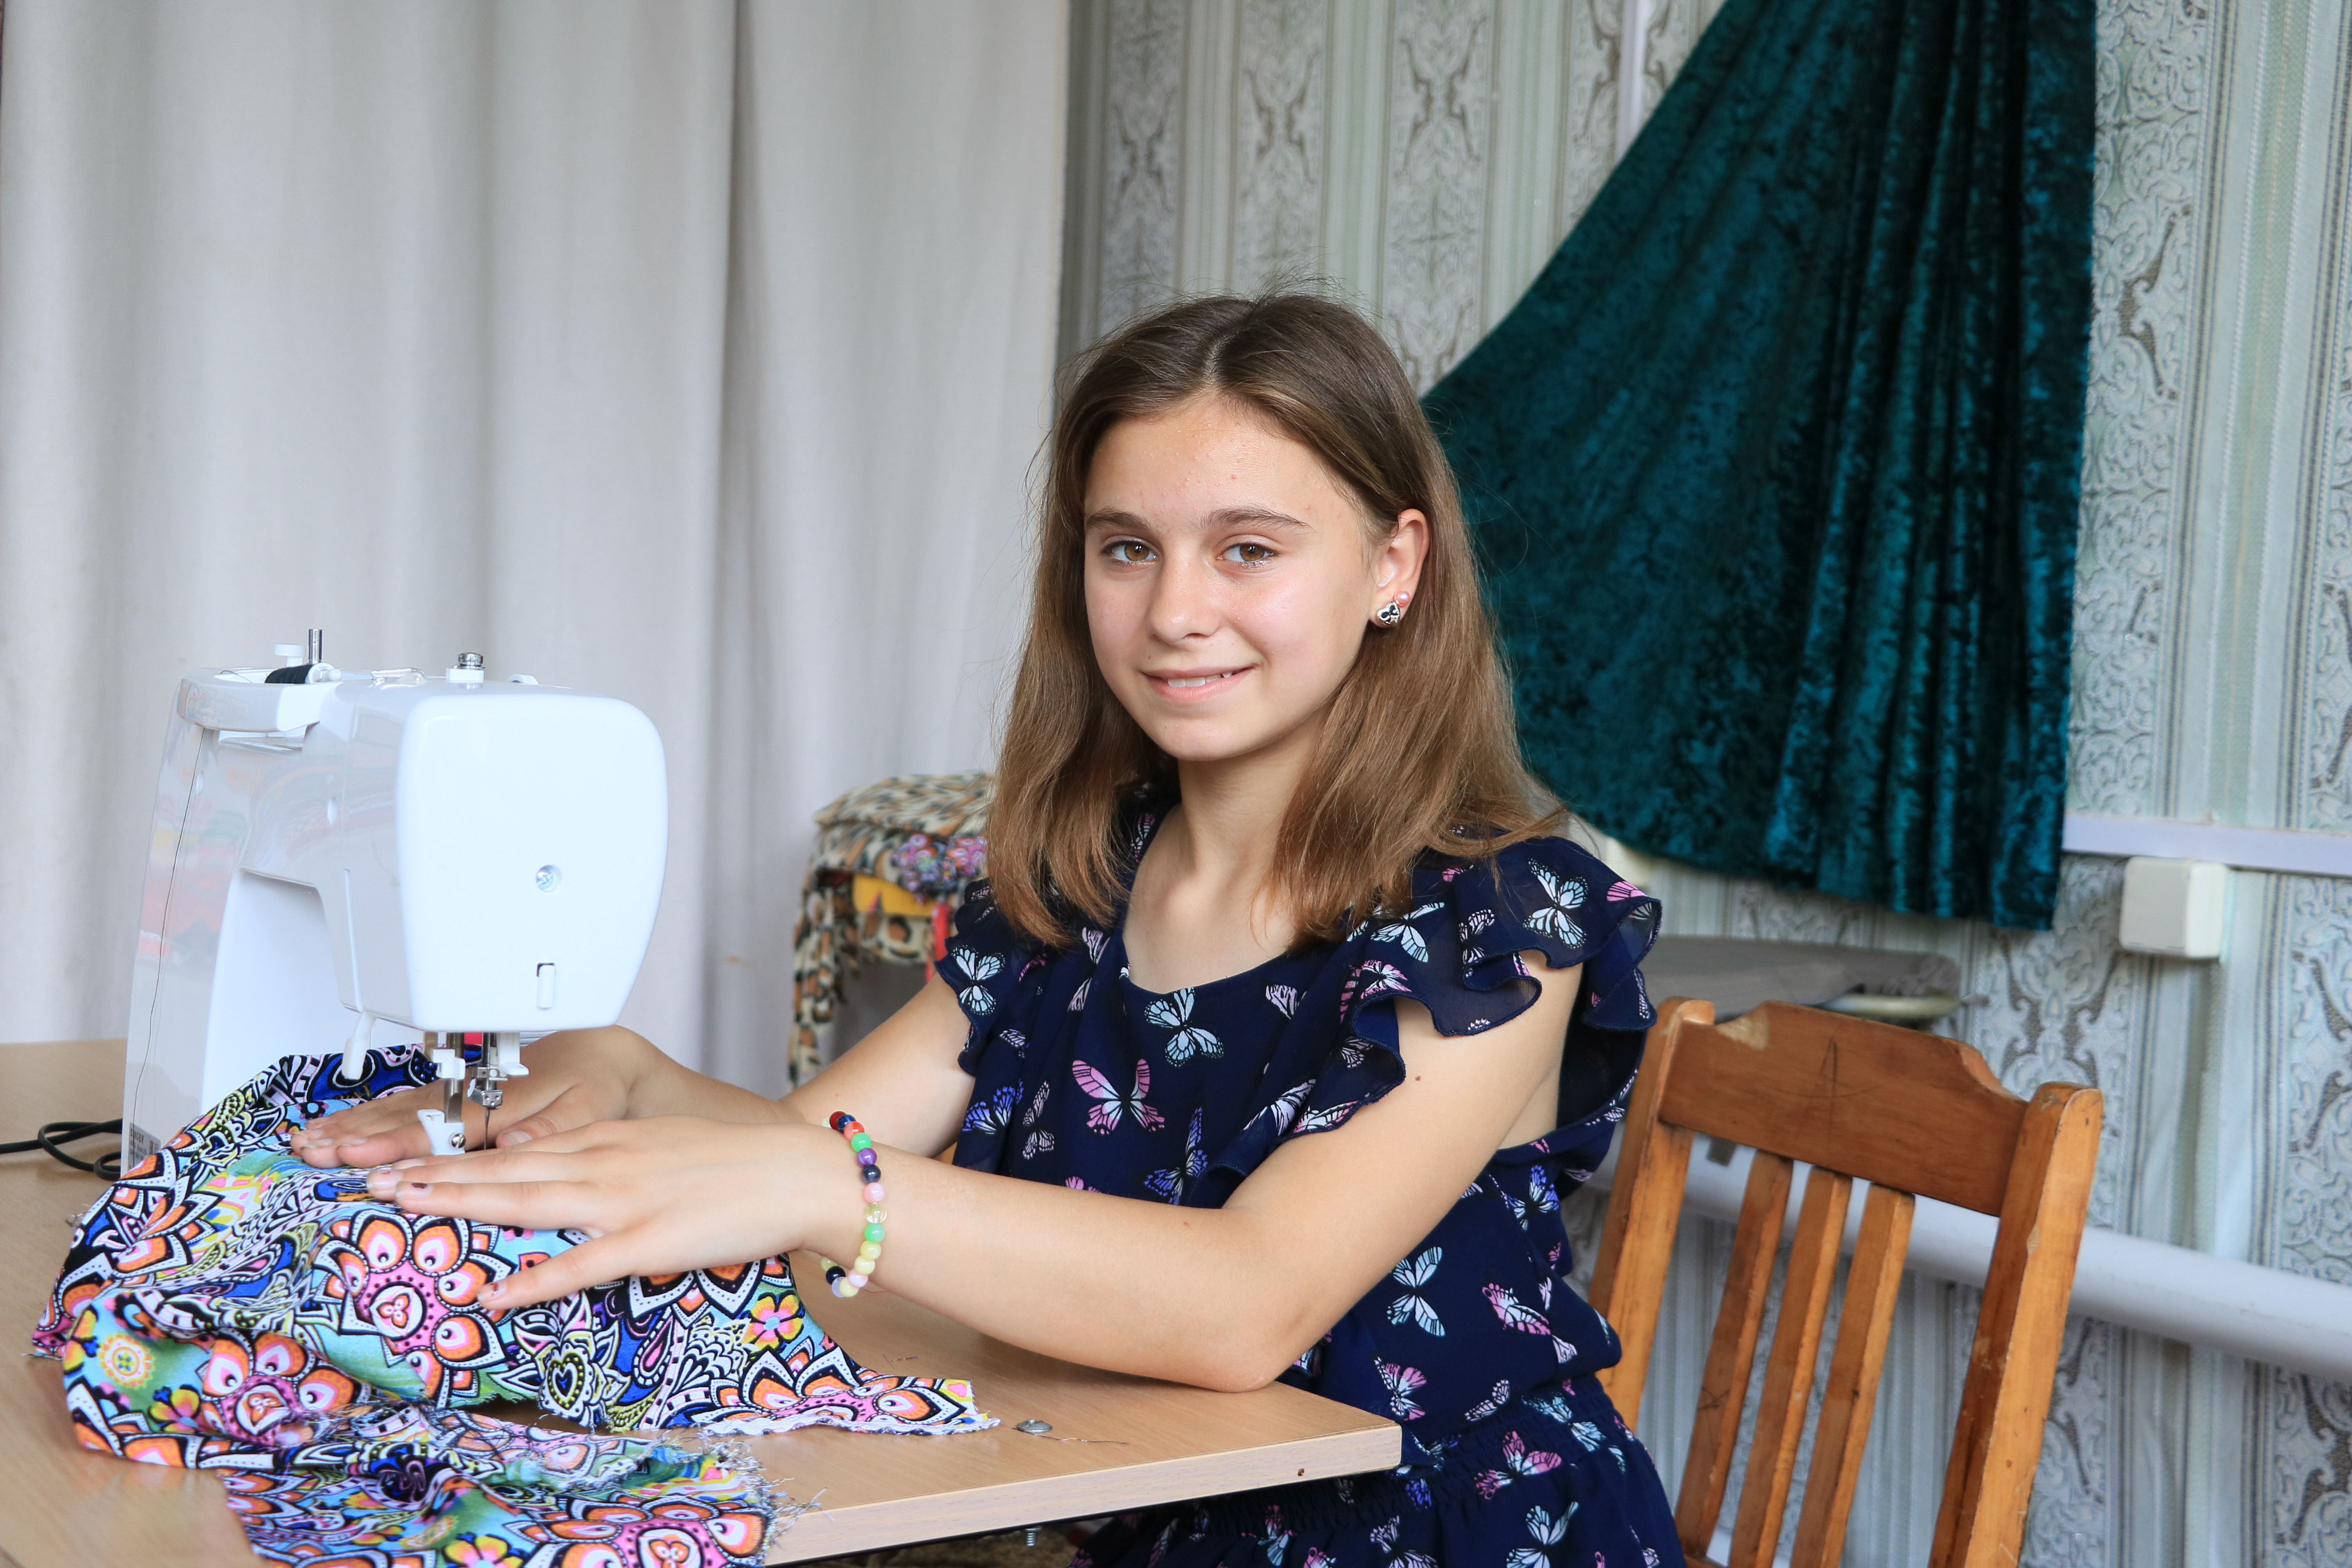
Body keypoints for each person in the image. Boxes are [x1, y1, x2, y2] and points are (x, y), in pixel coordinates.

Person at [293, 292, 1684, 1567]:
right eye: (1126, 549)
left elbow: (1245, 1305)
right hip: (1136, 1520)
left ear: (1394, 564)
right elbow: (819, 1153)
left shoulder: (1503, 926)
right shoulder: (1079, 890)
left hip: (1449, 1538)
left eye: (1247, 550)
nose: (1176, 611)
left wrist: (821, 1187)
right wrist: (633, 1074)